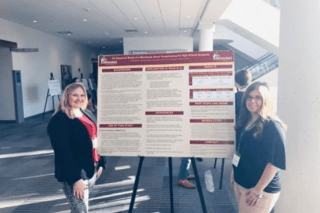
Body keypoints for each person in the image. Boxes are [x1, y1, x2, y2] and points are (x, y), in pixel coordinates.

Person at [47, 82, 106, 213]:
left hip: (91, 169)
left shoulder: (87, 113)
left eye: (82, 95)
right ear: (66, 96)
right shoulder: (59, 120)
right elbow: (63, 153)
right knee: (81, 210)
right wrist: (75, 180)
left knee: (80, 209)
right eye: (75, 95)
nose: (79, 98)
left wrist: (101, 161)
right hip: (74, 175)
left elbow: (96, 138)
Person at [231, 81, 286, 213]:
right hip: (241, 183)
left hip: (258, 190)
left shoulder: (272, 125)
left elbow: (274, 163)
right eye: (249, 97)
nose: (252, 101)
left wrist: (257, 190)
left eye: (258, 97)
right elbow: (240, 149)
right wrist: (234, 172)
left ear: (265, 100)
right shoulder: (245, 120)